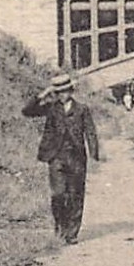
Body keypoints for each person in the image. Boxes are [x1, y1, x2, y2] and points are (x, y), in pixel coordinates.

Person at [23, 72, 101, 244]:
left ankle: (71, 233)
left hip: (76, 157)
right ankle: (60, 226)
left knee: (75, 194)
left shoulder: (82, 109)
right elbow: (27, 111)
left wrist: (94, 152)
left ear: (71, 91)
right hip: (56, 156)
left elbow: (90, 131)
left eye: (65, 91)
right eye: (59, 92)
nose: (62, 95)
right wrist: (43, 94)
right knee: (58, 194)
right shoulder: (51, 107)